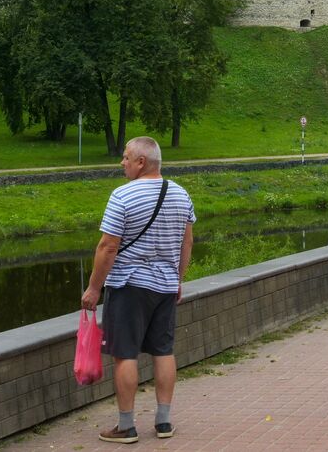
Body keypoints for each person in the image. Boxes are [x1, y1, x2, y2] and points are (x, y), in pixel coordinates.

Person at [81, 137, 195, 444]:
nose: (122, 162)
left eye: (126, 157)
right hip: (165, 287)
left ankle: (126, 426)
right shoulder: (181, 194)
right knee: (163, 351)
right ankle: (164, 422)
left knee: (125, 353)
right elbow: (187, 243)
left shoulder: (123, 195)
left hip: (129, 286)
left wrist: (94, 288)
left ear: (141, 162)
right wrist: (177, 279)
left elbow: (108, 246)